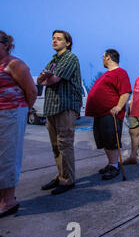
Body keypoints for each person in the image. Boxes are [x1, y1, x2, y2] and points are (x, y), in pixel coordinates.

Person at [38, 30, 82, 195]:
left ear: (68, 43)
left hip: (65, 106)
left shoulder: (70, 58)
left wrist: (46, 77)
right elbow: (39, 80)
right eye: (53, 39)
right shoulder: (53, 60)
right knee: (55, 146)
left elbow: (53, 79)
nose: (54, 41)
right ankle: (61, 175)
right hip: (51, 107)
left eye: (58, 39)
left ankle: (68, 180)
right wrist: (45, 77)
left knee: (64, 144)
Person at [0, 31, 37, 217]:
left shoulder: (15, 65)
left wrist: (23, 111)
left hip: (11, 113)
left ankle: (8, 200)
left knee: (8, 155)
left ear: (5, 45)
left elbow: (32, 91)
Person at [85, 49, 131, 180]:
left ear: (108, 57)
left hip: (111, 113)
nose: (102, 59)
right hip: (100, 114)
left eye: (103, 56)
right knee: (104, 140)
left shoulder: (120, 72)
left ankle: (114, 166)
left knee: (111, 140)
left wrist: (118, 106)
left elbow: (125, 92)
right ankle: (111, 163)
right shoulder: (106, 74)